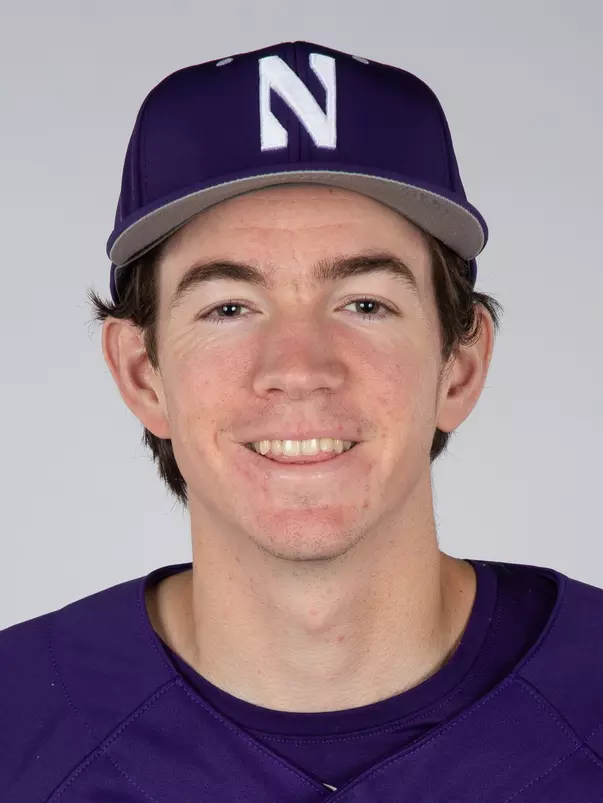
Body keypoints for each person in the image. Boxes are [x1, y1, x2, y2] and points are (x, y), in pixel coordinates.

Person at [2, 40, 603, 802]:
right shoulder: (16, 726)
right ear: (142, 373)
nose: (298, 365)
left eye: (363, 304)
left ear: (460, 364)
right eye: (228, 307)